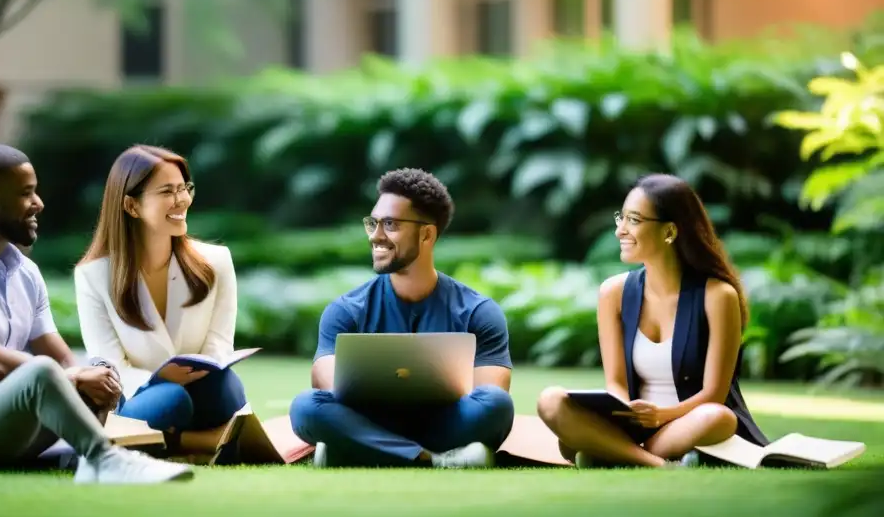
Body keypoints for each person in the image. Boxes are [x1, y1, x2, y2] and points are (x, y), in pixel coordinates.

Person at [0, 143, 193, 483]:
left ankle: (86, 456)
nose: (39, 203)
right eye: (26, 193)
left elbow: (63, 361)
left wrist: (97, 377)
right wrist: (71, 377)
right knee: (42, 373)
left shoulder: (24, 273)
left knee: (87, 371)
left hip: (11, 428)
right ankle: (102, 459)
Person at [536, 173, 768, 468]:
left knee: (719, 417)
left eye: (634, 220)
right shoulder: (613, 293)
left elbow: (714, 393)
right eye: (621, 218)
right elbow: (616, 384)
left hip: (688, 420)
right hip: (633, 425)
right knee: (551, 400)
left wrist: (662, 415)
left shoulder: (718, 295)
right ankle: (655, 462)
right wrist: (619, 411)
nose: (620, 230)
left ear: (669, 232)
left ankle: (609, 451)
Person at [289, 168, 516, 468]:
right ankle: (430, 459)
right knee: (306, 407)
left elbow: (490, 392)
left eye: (391, 224)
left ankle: (357, 450)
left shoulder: (479, 312)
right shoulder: (346, 310)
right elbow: (329, 385)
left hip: (445, 423)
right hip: (368, 419)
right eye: (373, 223)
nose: (375, 236)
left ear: (427, 234)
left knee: (497, 406)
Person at [75, 145, 247, 454]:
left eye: (184, 188)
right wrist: (158, 378)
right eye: (167, 191)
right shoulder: (93, 275)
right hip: (141, 395)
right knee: (170, 399)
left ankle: (181, 441)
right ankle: (178, 441)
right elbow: (110, 364)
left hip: (204, 389)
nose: (182, 200)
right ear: (131, 205)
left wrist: (202, 372)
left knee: (228, 388)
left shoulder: (216, 261)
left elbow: (219, 344)